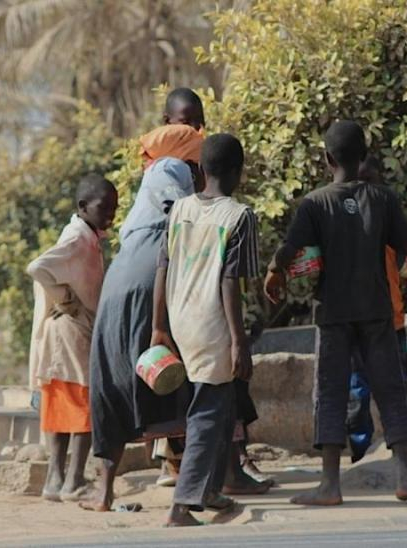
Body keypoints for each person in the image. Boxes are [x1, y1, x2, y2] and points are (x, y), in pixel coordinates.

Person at [264, 120, 407, 506]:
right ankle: (406, 478)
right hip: (377, 311)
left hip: (333, 314)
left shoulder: (315, 203)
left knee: (330, 393)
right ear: (363, 157)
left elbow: (289, 251)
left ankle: (330, 485)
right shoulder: (384, 198)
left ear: (327, 159)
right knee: (391, 390)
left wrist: (274, 276)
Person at [82, 89, 206, 513]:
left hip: (122, 279)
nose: (194, 133)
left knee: (114, 376)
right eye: (188, 127)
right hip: (152, 274)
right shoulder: (171, 168)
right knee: (189, 370)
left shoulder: (159, 174)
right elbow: (182, 224)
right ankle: (202, 485)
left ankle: (104, 490)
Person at [152, 133, 260, 527]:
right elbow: (231, 282)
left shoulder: (178, 210)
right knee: (209, 412)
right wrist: (239, 340)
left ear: (201, 170)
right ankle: (182, 504)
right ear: (237, 172)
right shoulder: (238, 216)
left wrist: (158, 327)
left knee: (222, 403)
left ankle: (210, 489)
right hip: (213, 322)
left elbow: (161, 270)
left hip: (180, 318)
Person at [27, 174, 118, 502]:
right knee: (83, 401)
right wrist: (67, 301)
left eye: (114, 208)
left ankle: (56, 480)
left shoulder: (88, 235)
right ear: (83, 207)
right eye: (103, 207)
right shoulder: (77, 237)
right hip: (71, 330)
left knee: (63, 401)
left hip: (67, 333)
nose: (110, 214)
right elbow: (37, 267)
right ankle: (74, 480)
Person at [346, 155, 407, 462]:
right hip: (356, 322)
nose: (366, 191)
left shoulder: (390, 221)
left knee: (396, 388)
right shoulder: (342, 222)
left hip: (391, 321)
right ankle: (361, 453)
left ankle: (398, 453)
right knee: (357, 393)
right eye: (360, 183)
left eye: (372, 183)